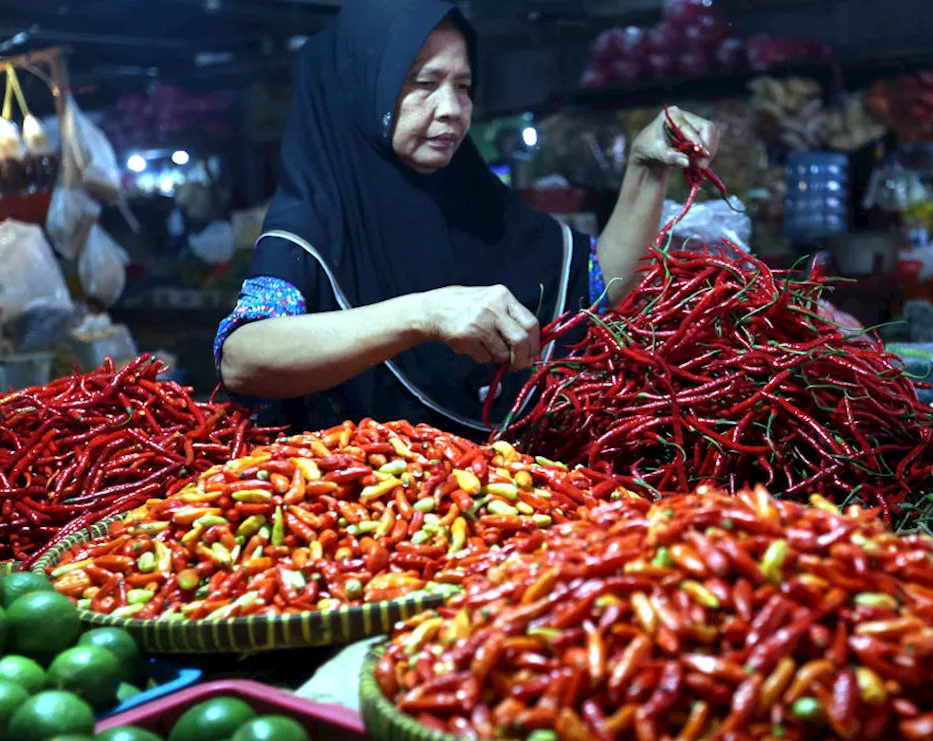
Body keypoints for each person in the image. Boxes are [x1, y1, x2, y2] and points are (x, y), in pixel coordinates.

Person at [215, 0, 718, 435]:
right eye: (424, 83)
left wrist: (645, 169)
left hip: (483, 504)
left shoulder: (476, 201)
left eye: (463, 85)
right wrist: (423, 314)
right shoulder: (314, 221)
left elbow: (596, 291)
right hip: (353, 510)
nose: (453, 109)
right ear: (363, 89)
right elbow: (243, 358)